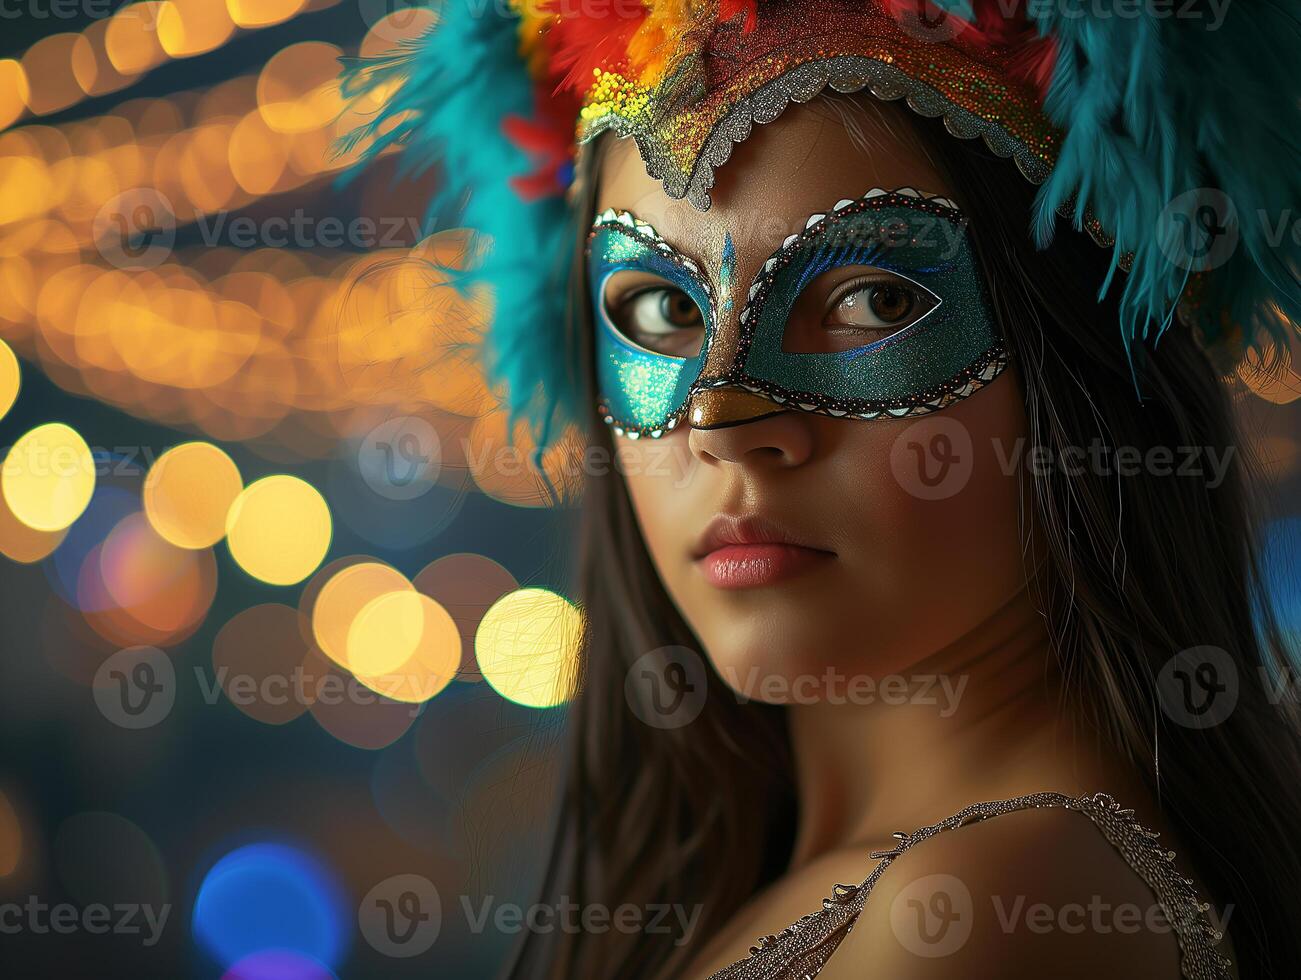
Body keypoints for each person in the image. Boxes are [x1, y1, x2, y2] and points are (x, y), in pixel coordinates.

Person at [342, 2, 1301, 977]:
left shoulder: (986, 907)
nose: (719, 421)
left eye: (871, 300)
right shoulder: (804, 878)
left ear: (1084, 358)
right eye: (660, 307)